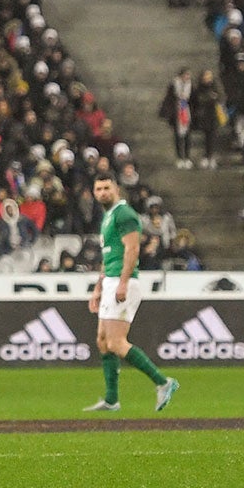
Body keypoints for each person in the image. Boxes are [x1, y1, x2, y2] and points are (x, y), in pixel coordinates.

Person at [84, 173, 179, 414]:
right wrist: (98, 287)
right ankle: (111, 399)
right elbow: (110, 255)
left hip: (123, 281)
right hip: (111, 281)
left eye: (106, 188)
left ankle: (163, 382)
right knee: (103, 342)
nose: (102, 193)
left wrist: (123, 283)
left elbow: (133, 248)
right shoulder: (109, 216)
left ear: (116, 188)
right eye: (98, 189)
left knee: (116, 342)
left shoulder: (125, 214)